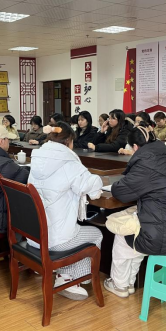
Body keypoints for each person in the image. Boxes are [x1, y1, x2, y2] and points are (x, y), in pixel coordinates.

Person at [105, 125, 166, 298]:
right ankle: (129, 283)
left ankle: (120, 285)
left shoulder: (146, 161)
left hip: (164, 237)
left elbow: (121, 192)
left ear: (135, 147)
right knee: (140, 225)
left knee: (125, 232)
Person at [29, 123, 103, 301]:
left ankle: (62, 271)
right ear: (69, 141)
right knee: (96, 234)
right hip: (54, 241)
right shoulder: (69, 163)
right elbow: (91, 186)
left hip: (34, 236)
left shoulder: (37, 160)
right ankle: (69, 279)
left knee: (72, 230)